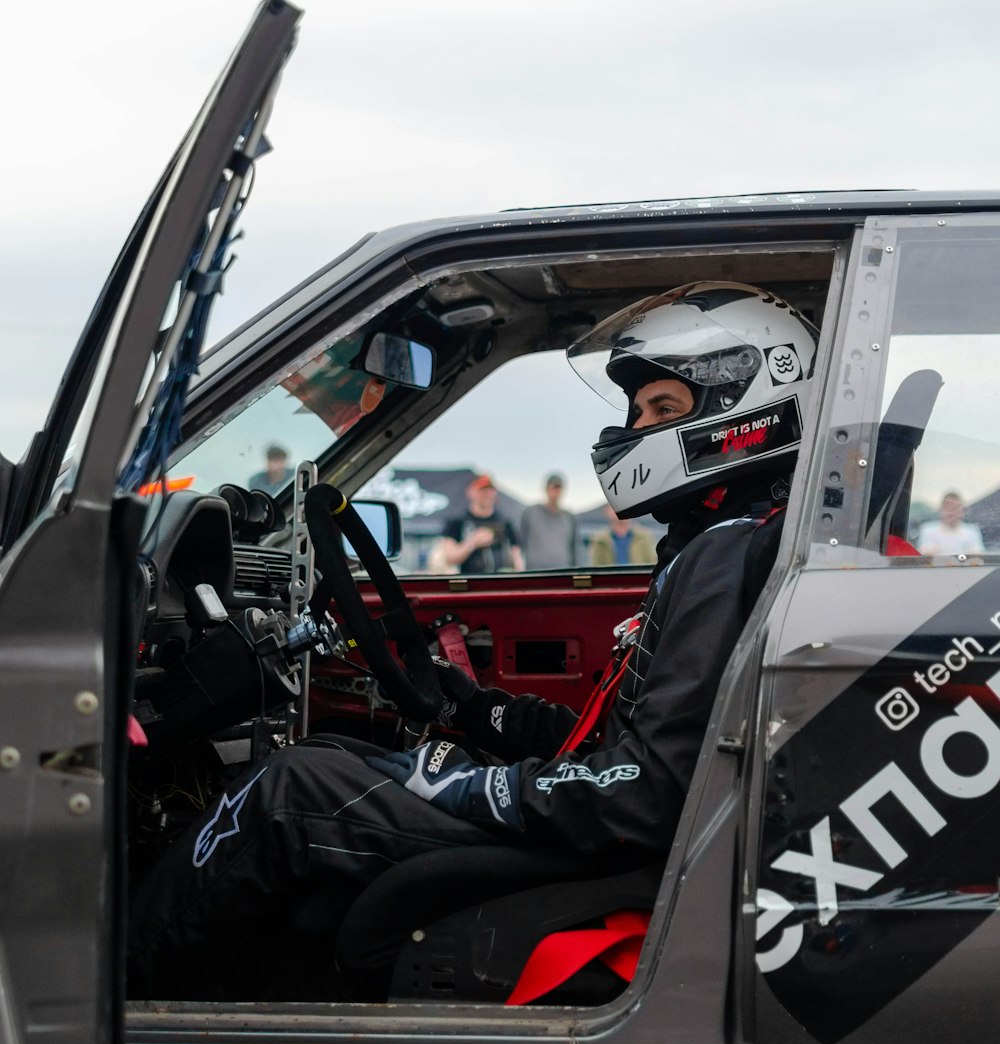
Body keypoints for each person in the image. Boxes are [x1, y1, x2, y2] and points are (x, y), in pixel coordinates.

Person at [128, 281, 819, 1001]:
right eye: (637, 408)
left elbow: (641, 792)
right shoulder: (719, 544)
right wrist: (478, 712)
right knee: (333, 755)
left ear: (745, 413)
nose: (636, 427)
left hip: (604, 853)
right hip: (600, 831)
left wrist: (463, 780)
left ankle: (112, 991)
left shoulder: (723, 557)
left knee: (290, 788)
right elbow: (612, 750)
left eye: (663, 408)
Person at [439, 475, 525, 574]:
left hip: (501, 582)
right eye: (482, 490)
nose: (487, 494)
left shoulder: (505, 521)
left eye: (490, 490)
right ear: (470, 492)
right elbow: (450, 558)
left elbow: (516, 556)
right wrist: (472, 543)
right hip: (471, 583)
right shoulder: (457, 521)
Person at [519, 473, 577, 569]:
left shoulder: (569, 517)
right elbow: (519, 542)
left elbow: (575, 548)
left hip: (563, 573)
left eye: (558, 488)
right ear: (546, 489)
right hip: (535, 574)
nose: (555, 492)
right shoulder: (530, 513)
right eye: (553, 488)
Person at [916, 491, 984, 556]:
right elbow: (922, 556)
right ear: (941, 510)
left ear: (962, 511)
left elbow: (978, 556)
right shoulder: (927, 530)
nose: (951, 511)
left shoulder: (972, 531)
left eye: (955, 508)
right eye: (948, 507)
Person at [588, 504, 657, 566]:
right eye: (614, 507)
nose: (621, 510)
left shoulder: (644, 536)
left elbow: (652, 564)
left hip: (638, 579)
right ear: (606, 512)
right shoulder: (599, 540)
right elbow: (596, 568)